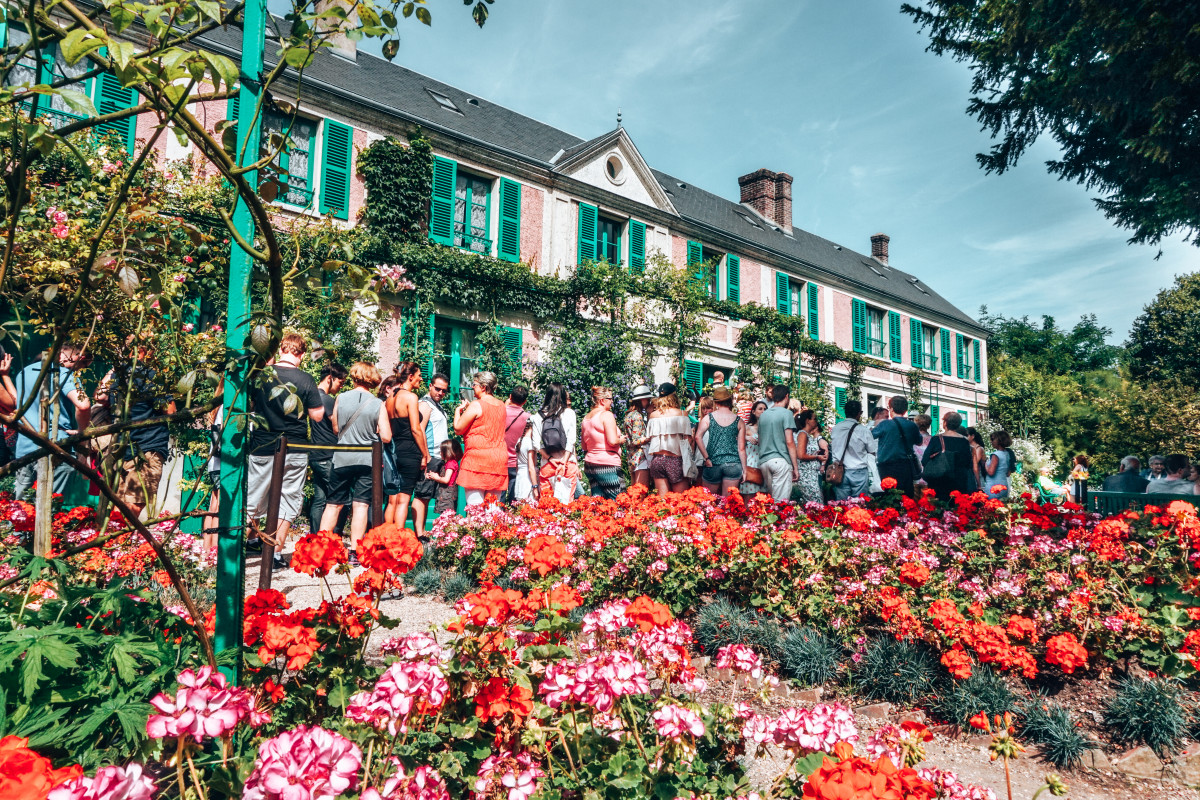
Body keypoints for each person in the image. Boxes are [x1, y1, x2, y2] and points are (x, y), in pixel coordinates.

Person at [245, 333, 324, 568]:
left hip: (263, 444)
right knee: (288, 499)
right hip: (295, 446)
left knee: (253, 498)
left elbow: (249, 405)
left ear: (281, 350)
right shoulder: (305, 379)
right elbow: (317, 415)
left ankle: (236, 550)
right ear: (300, 353)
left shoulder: (260, 376)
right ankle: (274, 554)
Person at [319, 362, 390, 560]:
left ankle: (320, 548)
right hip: (367, 460)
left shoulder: (340, 398)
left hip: (342, 457)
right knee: (360, 505)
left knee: (333, 504)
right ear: (372, 379)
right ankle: (354, 552)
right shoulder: (378, 403)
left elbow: (335, 428)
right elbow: (386, 436)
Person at [99, 339, 175, 518]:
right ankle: (120, 542)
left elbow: (99, 396)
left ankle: (115, 542)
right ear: (146, 350)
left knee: (119, 502)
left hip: (121, 448)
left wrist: (114, 369)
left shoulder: (117, 376)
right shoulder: (150, 375)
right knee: (135, 503)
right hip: (147, 446)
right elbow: (170, 411)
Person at [8, 344, 91, 502]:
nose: (80, 369)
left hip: (25, 445)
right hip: (55, 444)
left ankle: (18, 528)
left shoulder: (23, 373)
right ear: (78, 357)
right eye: (84, 364)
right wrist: (82, 433)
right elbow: (83, 404)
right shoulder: (63, 374)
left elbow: (15, 404)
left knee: (21, 508)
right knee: (50, 504)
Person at [454, 371, 508, 507]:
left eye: (475, 384)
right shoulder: (501, 405)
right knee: (492, 508)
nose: (472, 387)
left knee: (475, 507)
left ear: (483, 387)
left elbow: (458, 429)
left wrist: (458, 411)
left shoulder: (477, 404)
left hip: (477, 460)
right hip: (498, 460)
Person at [385, 361, 430, 526]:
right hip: (410, 452)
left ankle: (386, 538)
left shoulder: (390, 398)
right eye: (419, 376)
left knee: (392, 500)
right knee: (404, 499)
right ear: (410, 377)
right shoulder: (411, 397)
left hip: (394, 451)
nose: (421, 379)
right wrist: (425, 454)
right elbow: (416, 429)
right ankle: (398, 541)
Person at [308, 363, 347, 537]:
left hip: (315, 455)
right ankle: (333, 537)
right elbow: (338, 427)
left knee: (319, 499)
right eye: (341, 382)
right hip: (328, 456)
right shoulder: (327, 400)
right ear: (330, 378)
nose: (341, 386)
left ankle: (315, 537)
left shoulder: (312, 396)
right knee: (342, 499)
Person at [410, 372, 451, 532]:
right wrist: (425, 455)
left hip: (437, 457)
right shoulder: (425, 405)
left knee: (427, 496)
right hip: (430, 456)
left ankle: (422, 532)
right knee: (422, 494)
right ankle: (419, 533)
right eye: (438, 389)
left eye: (444, 391)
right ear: (430, 386)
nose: (441, 393)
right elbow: (419, 429)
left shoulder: (435, 405)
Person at [695, 386, 746, 497]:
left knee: (709, 502)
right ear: (730, 400)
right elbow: (741, 449)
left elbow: (698, 437)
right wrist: (745, 470)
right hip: (733, 464)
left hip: (713, 463)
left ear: (716, 403)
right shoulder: (739, 420)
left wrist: (706, 457)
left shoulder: (709, 418)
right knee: (727, 504)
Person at [644, 384, 693, 495]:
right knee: (680, 501)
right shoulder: (682, 414)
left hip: (657, 460)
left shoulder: (653, 416)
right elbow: (688, 440)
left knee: (663, 502)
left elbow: (650, 437)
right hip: (675, 460)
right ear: (674, 396)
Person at [756, 385, 800, 502]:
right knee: (781, 503)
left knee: (772, 501)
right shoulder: (787, 414)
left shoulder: (763, 415)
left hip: (764, 462)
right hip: (780, 460)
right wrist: (795, 467)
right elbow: (789, 441)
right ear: (787, 396)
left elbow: (760, 440)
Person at [871, 396, 922, 496]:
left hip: (886, 465)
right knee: (906, 495)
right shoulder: (912, 425)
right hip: (906, 465)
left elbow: (870, 436)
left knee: (888, 496)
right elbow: (919, 442)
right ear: (905, 410)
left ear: (892, 409)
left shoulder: (884, 424)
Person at [582, 386, 626, 499]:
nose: (612, 402)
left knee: (598, 503)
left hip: (590, 465)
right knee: (619, 501)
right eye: (610, 399)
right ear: (602, 400)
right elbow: (612, 441)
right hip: (607, 464)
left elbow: (584, 445)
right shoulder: (606, 415)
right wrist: (621, 440)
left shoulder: (586, 418)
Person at [828, 399, 877, 501]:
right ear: (859, 413)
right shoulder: (863, 430)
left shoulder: (836, 428)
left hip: (840, 470)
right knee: (859, 504)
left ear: (845, 412)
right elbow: (872, 451)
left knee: (842, 504)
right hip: (859, 471)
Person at [920, 411, 972, 501]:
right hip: (959, 481)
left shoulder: (937, 439)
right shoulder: (964, 441)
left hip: (939, 480)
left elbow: (925, 460)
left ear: (945, 423)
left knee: (939, 508)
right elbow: (967, 462)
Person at [531, 382, 578, 481]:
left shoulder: (537, 416)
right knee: (568, 497)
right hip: (567, 464)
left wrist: (550, 459)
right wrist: (563, 462)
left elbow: (536, 444)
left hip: (548, 465)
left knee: (547, 496)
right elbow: (571, 441)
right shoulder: (569, 413)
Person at [503, 385, 530, 502]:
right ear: (525, 401)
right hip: (517, 462)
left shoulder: (501, 412)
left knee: (498, 499)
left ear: (510, 397)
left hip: (501, 460)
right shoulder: (528, 418)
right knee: (514, 500)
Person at [792, 409, 825, 504]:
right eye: (814, 419)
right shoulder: (803, 434)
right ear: (807, 421)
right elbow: (801, 455)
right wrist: (817, 457)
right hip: (807, 475)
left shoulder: (806, 435)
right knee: (816, 503)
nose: (816, 421)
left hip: (811, 474)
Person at [624, 384, 653, 488]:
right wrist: (649, 438)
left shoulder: (629, 415)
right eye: (648, 399)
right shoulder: (638, 416)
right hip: (640, 458)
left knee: (634, 492)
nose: (649, 402)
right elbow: (636, 440)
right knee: (641, 492)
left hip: (631, 457)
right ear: (642, 399)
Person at [424, 439, 462, 515]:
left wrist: (436, 477)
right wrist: (432, 476)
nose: (440, 453)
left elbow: (446, 480)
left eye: (441, 451)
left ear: (447, 452)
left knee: (447, 515)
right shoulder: (450, 463)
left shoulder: (451, 464)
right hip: (445, 494)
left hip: (447, 495)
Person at [740, 400, 768, 495]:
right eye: (760, 409)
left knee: (764, 495)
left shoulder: (768, 428)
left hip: (764, 462)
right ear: (753, 411)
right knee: (749, 493)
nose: (763, 411)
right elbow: (735, 439)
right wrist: (746, 437)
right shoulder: (747, 427)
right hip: (751, 462)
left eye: (765, 409)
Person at [983, 430, 1016, 499]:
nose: (991, 441)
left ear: (999, 440)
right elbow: (1008, 473)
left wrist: (985, 464)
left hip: (994, 487)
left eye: (993, 439)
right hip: (1003, 485)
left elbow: (991, 472)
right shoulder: (1007, 453)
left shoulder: (996, 455)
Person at [510, 418, 536, 503]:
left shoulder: (519, 441)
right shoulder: (530, 443)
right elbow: (531, 468)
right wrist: (535, 486)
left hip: (520, 477)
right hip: (528, 479)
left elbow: (517, 465)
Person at [965, 428, 987, 493]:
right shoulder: (968, 447)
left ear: (973, 436)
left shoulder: (979, 448)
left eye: (967, 435)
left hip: (978, 476)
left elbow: (974, 463)